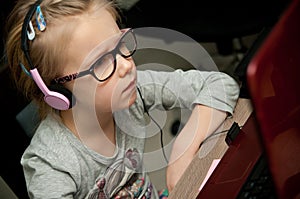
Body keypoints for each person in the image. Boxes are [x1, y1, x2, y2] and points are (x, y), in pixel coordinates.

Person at [4, 0, 240, 198]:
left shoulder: (131, 89)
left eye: (120, 44)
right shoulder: (51, 165)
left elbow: (221, 85)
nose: (126, 65)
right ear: (58, 92)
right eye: (101, 62)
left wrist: (184, 147)